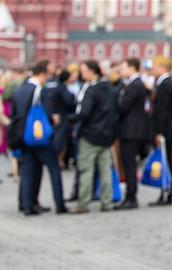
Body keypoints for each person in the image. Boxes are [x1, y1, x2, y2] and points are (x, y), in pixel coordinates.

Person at [10, 60, 66, 216]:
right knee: (54, 169)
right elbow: (47, 114)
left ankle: (27, 204)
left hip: (24, 137)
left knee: (28, 171)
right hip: (41, 138)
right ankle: (60, 204)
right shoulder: (41, 91)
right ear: (42, 74)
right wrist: (53, 120)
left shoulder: (19, 90)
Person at [69, 60, 117, 214]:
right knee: (105, 170)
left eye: (83, 71)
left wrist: (69, 119)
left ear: (92, 71)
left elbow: (84, 112)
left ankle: (83, 203)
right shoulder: (109, 88)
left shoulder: (91, 90)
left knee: (86, 170)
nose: (82, 74)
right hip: (106, 135)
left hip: (90, 135)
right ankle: (107, 202)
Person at [116, 58, 149, 210]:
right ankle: (130, 195)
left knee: (129, 165)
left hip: (130, 131)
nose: (121, 71)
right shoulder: (137, 84)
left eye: (123, 67)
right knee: (129, 165)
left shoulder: (134, 85)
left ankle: (131, 197)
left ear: (132, 68)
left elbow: (123, 107)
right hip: (133, 130)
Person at [149, 56, 172, 207]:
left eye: (154, 65)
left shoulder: (166, 85)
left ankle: (167, 193)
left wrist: (159, 133)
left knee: (166, 163)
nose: (152, 68)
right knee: (164, 161)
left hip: (165, 130)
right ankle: (164, 192)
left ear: (161, 67)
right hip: (165, 129)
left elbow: (163, 112)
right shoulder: (163, 83)